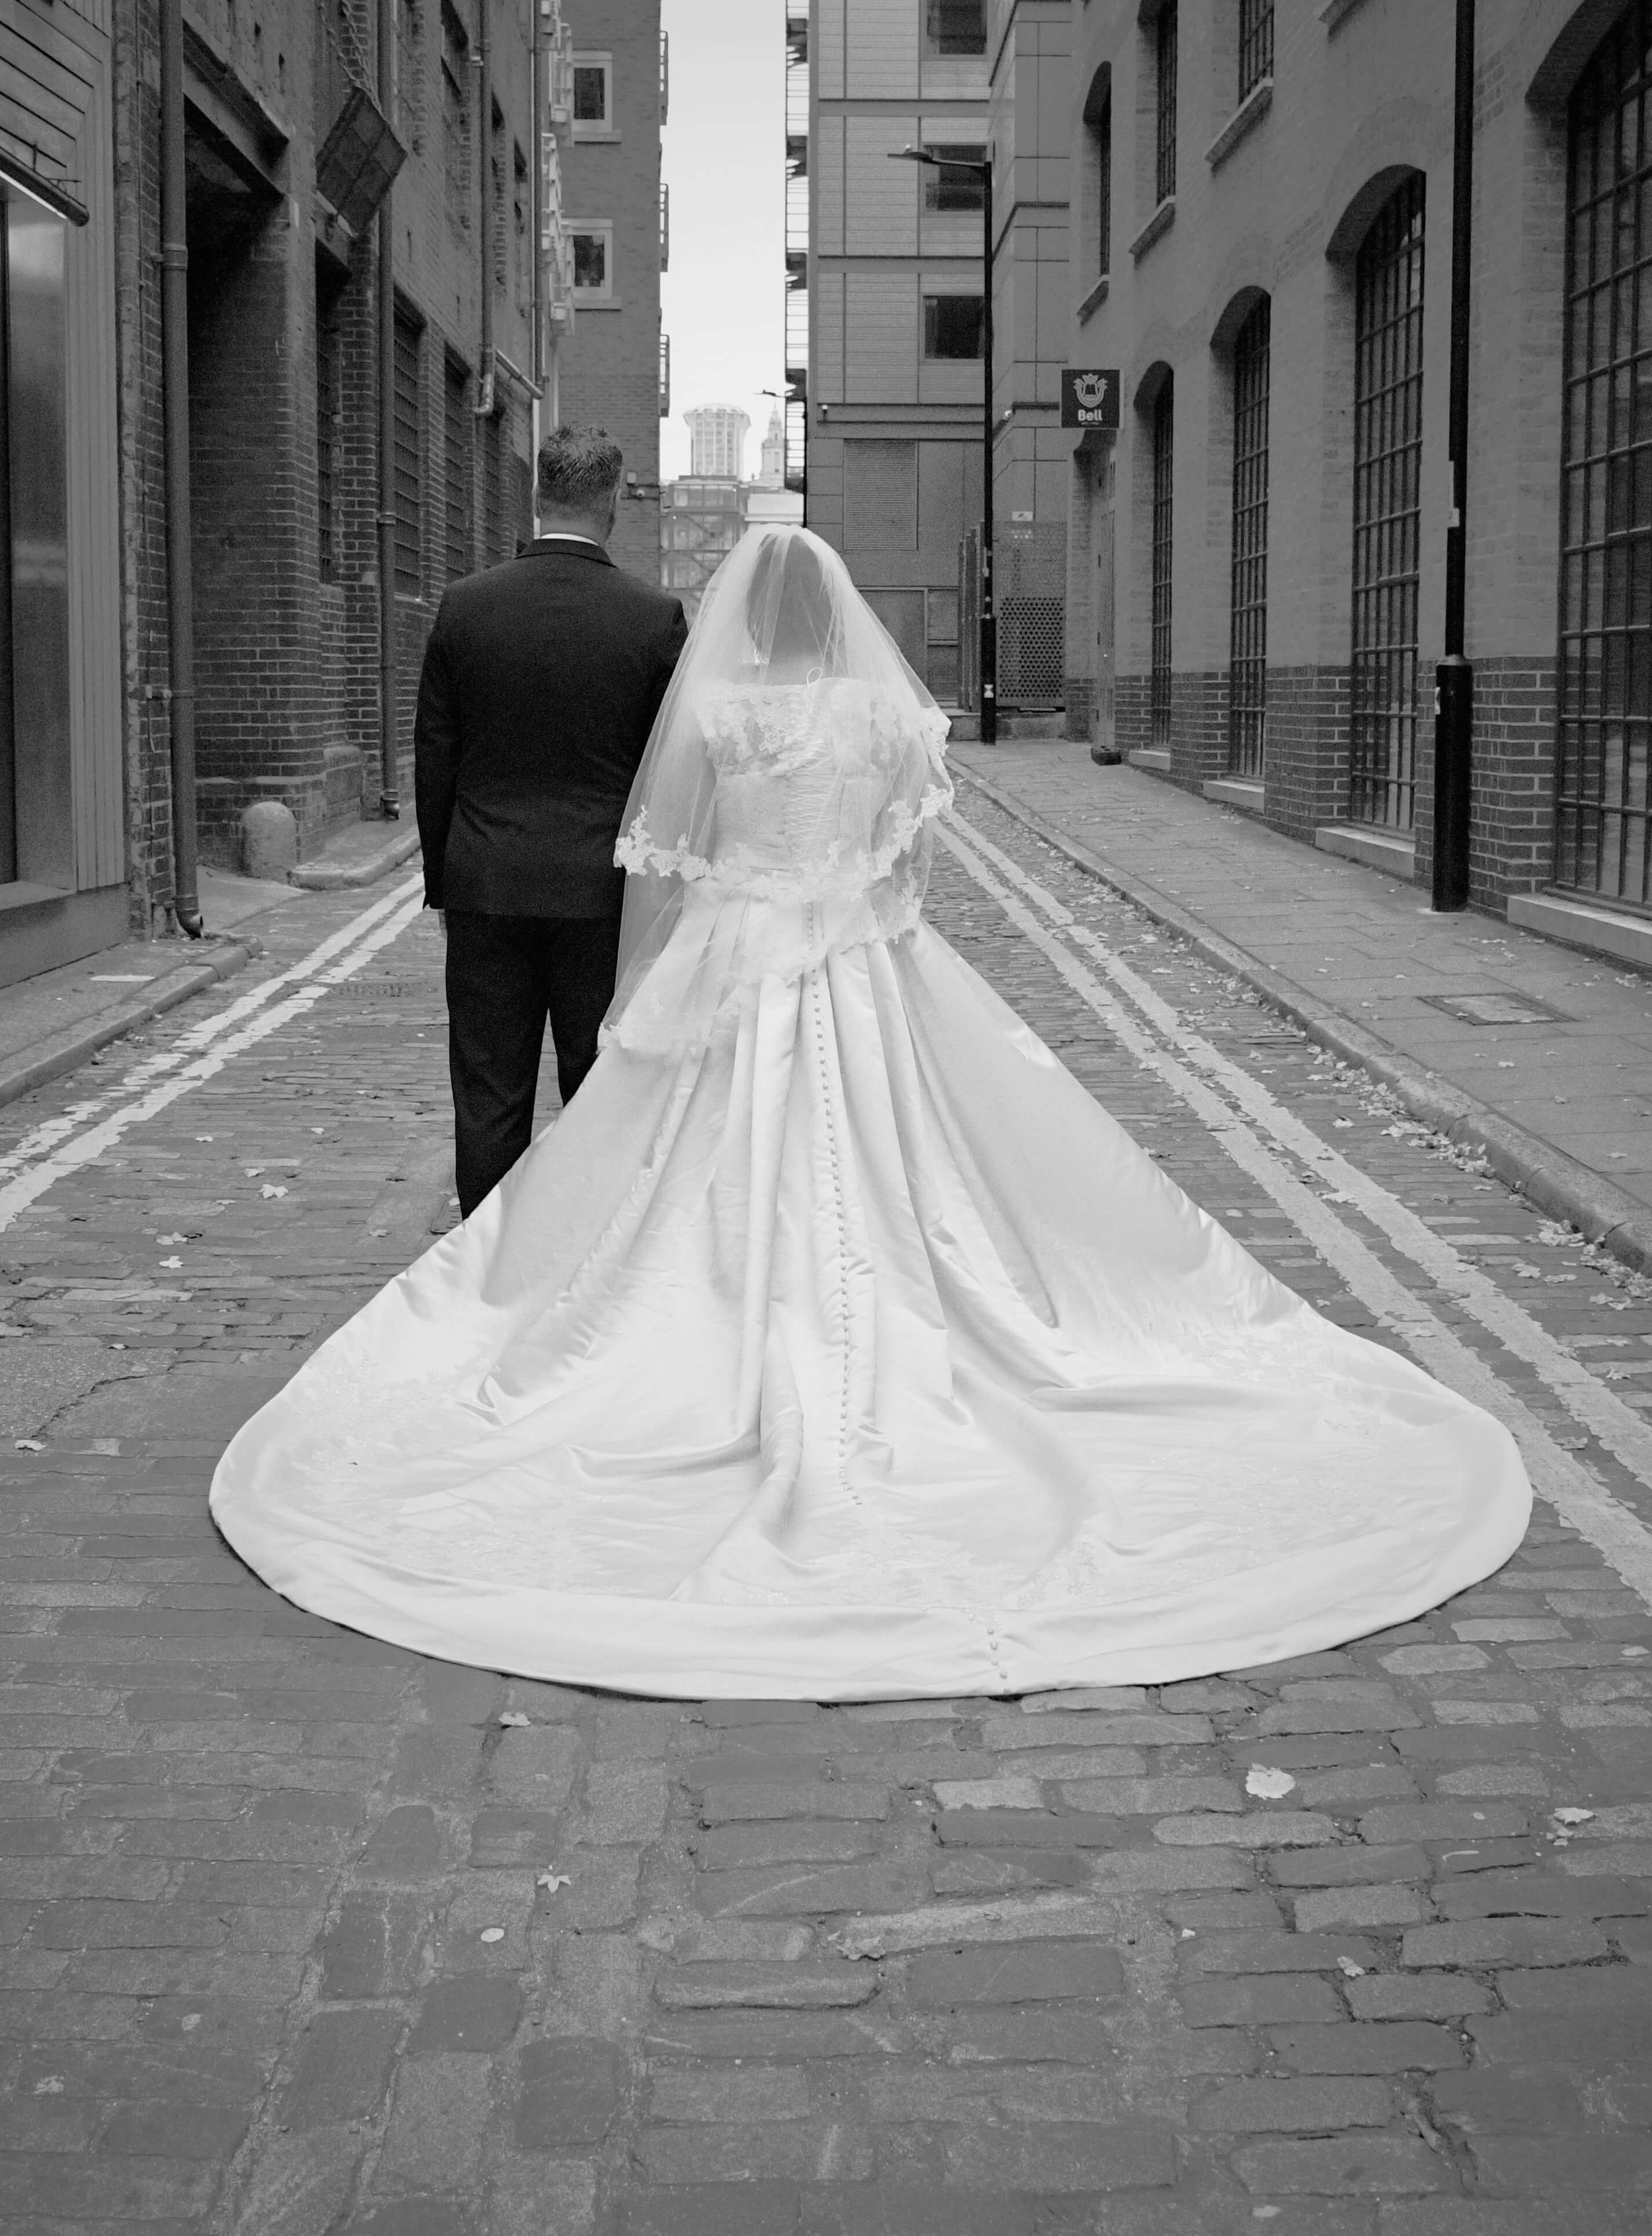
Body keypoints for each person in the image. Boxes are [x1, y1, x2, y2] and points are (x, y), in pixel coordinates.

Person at [212, 527, 1529, 1700]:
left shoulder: (719, 716)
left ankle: (635, 1303)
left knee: (676, 1176)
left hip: (736, 962)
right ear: (841, 617)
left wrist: (670, 979)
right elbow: (911, 874)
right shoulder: (894, 722)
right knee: (916, 1174)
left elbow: (683, 865)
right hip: (859, 968)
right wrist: (855, 921)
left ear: (744, 619)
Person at [413, 423, 687, 1217]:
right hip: (603, 896)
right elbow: (668, 774)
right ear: (612, 501)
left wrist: (445, 883)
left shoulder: (466, 608)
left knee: (489, 1092)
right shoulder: (653, 617)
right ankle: (585, 1263)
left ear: (538, 497)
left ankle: (486, 1270)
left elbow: (436, 756)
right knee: (600, 1088)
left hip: (487, 882)